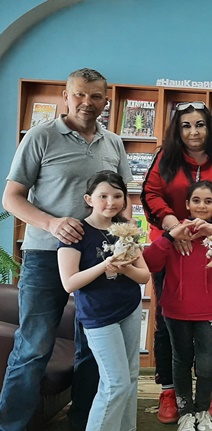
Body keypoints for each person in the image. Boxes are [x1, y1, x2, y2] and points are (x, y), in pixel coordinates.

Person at [1, 68, 132, 431]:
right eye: (79, 94)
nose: (87, 103)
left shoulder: (114, 143)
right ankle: (12, 425)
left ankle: (84, 423)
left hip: (99, 260)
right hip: (46, 255)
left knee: (93, 348)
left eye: (95, 96)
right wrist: (52, 223)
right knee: (33, 346)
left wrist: (127, 239)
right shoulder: (40, 136)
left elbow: (123, 200)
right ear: (65, 96)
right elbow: (11, 198)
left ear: (106, 101)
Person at [141, 100, 212, 423]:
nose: (193, 132)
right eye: (186, 125)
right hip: (171, 243)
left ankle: (207, 387)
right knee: (167, 318)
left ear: (209, 128)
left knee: (210, 318)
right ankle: (169, 389)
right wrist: (174, 227)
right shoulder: (165, 157)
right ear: (177, 130)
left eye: (199, 125)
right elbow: (150, 193)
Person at [57, 171, 150, 431]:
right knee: (116, 383)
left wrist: (125, 268)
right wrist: (105, 265)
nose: (111, 202)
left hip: (129, 309)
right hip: (98, 315)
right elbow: (69, 283)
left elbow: (144, 275)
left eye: (117, 196)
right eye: (103, 196)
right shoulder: (76, 232)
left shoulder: (127, 230)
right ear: (89, 199)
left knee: (130, 377)